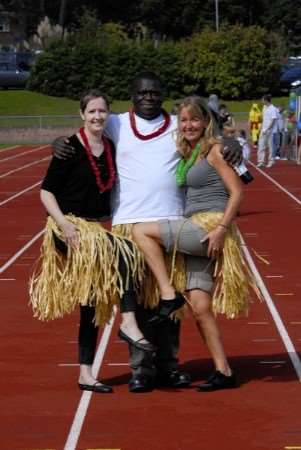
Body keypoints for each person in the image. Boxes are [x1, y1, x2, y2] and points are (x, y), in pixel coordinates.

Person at [53, 72, 242, 393]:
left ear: (162, 94)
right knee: (137, 300)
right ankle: (141, 369)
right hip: (130, 223)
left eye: (155, 92)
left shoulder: (176, 124)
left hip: (172, 220)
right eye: (142, 93)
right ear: (132, 95)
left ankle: (169, 365)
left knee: (169, 301)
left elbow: (208, 134)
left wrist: (231, 141)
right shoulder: (116, 123)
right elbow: (87, 132)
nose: (148, 97)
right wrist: (57, 142)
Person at [30, 89, 153, 394]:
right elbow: (46, 192)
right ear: (82, 115)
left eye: (102, 111)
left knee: (92, 303)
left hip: (96, 232)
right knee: (125, 251)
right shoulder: (70, 148)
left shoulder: (110, 147)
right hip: (69, 230)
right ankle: (128, 322)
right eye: (92, 112)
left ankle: (86, 373)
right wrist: (64, 225)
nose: (97, 117)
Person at [132, 96, 259, 391]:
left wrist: (221, 229)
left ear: (206, 122)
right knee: (200, 307)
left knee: (140, 232)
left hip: (207, 227)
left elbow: (238, 192)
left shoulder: (215, 150)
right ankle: (224, 371)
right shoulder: (192, 152)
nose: (188, 125)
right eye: (184, 121)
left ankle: (167, 294)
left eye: (194, 120)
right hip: (199, 229)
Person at [257, 94, 278, 168]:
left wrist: (267, 129)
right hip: (263, 130)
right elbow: (264, 119)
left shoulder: (273, 109)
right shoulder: (264, 107)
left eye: (262, 100)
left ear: (266, 100)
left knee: (270, 146)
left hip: (271, 131)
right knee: (261, 145)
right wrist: (262, 128)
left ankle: (271, 161)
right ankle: (261, 161)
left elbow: (273, 120)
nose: (261, 101)